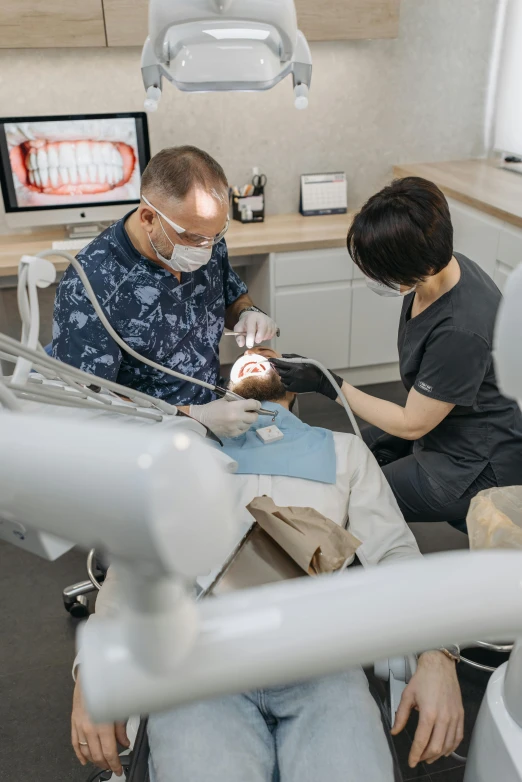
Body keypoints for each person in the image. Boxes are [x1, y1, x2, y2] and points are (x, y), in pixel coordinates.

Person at [70, 347, 464, 781]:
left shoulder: (344, 451)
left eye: (268, 353)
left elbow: (394, 555)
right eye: (241, 355)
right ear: (225, 389)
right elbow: (135, 564)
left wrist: (439, 653)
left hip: (319, 661)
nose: (253, 353)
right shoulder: (187, 452)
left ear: (293, 390)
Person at [270, 177, 522, 531]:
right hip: (440, 426)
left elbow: (412, 422)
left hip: (473, 463)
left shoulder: (458, 329)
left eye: (378, 269)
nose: (369, 275)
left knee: (353, 500)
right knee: (348, 448)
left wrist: (330, 384)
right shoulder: (439, 269)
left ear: (421, 267)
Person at [52, 145, 278, 437]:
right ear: (148, 218)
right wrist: (194, 417)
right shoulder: (90, 287)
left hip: (216, 409)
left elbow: (231, 297)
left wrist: (246, 312)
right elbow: (90, 403)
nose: (207, 249)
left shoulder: (203, 235)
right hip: (148, 438)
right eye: (193, 238)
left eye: (216, 235)